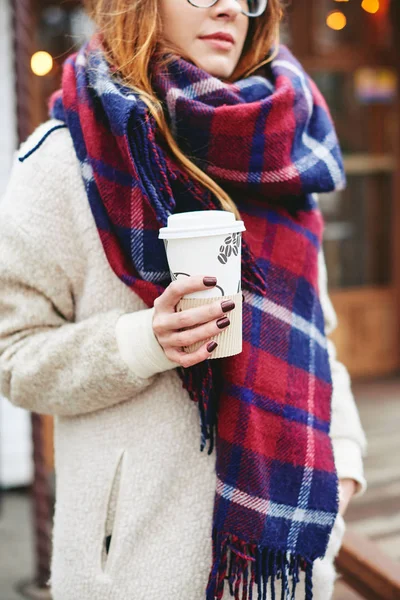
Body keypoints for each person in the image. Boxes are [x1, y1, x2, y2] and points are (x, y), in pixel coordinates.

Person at [0, 0, 367, 598]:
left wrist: (343, 466)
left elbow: (318, 341)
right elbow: (12, 355)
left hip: (278, 567)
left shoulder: (282, 158)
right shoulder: (66, 158)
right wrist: (144, 343)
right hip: (134, 573)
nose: (228, 7)